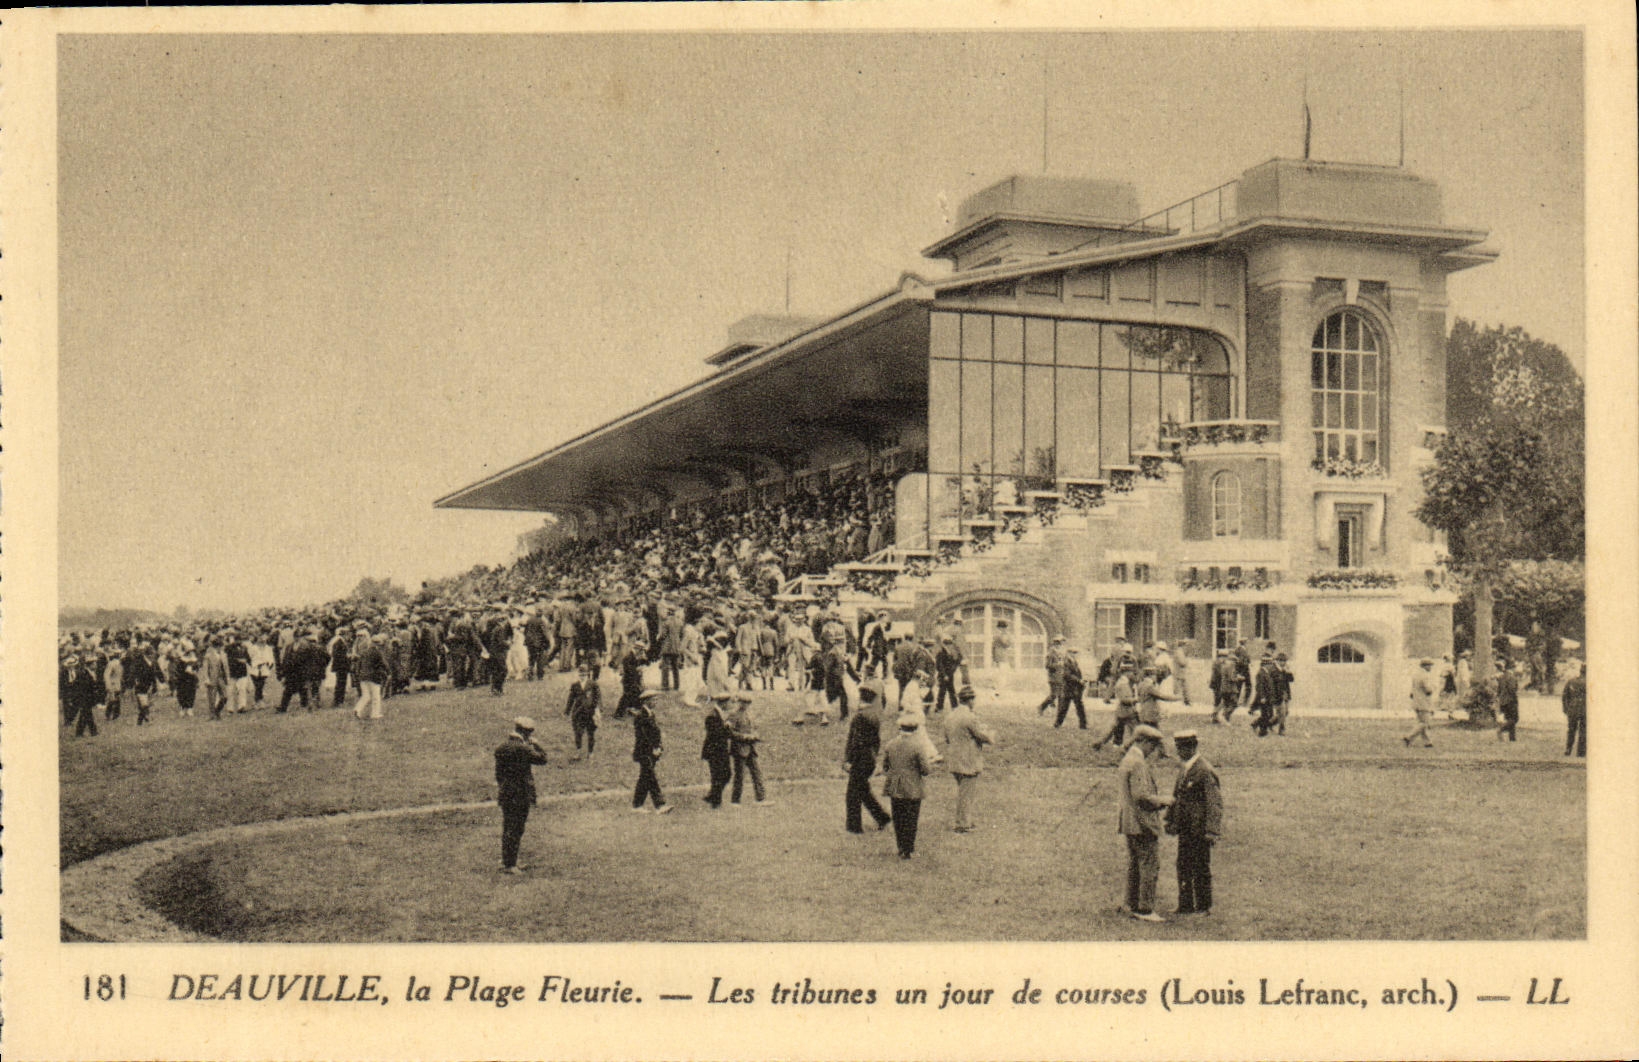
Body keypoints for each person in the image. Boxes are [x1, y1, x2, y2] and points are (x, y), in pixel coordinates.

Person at [1117, 725, 1173, 922]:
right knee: (1149, 864)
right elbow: (1142, 796)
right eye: (1153, 745)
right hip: (1142, 822)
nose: (1154, 751)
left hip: (1129, 821)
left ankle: (1130, 904)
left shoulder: (1128, 759)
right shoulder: (1138, 762)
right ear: (1144, 742)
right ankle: (1145, 909)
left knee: (1135, 864)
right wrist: (1164, 800)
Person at [1165, 730, 1222, 916]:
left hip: (1199, 829)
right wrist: (1171, 820)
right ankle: (1185, 904)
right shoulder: (1186, 768)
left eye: (1182, 748)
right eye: (1178, 747)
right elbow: (1177, 796)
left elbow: (1214, 803)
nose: (1179, 752)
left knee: (1200, 867)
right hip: (1185, 828)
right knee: (1183, 865)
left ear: (1192, 747)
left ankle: (1204, 906)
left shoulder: (1204, 770)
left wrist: (1212, 831)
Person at [493, 716, 549, 875]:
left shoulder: (502, 747)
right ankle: (510, 864)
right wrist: (536, 744)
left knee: (508, 827)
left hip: (505, 793)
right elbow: (543, 759)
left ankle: (507, 860)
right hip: (520, 794)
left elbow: (498, 774)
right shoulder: (523, 749)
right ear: (526, 732)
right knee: (516, 829)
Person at [882, 713, 934, 859]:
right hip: (912, 787)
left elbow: (885, 766)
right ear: (915, 729)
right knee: (911, 818)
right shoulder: (918, 746)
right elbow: (926, 770)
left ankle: (900, 847)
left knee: (898, 817)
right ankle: (908, 849)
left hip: (894, 786)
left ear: (900, 728)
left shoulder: (890, 744)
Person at [944, 685, 996, 832]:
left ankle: (966, 820)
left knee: (963, 791)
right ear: (970, 700)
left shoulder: (950, 716)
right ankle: (962, 824)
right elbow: (983, 736)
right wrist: (991, 734)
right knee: (966, 793)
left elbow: (947, 737)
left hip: (954, 758)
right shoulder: (970, 717)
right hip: (968, 760)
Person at [843, 680, 892, 833]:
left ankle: (854, 826)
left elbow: (855, 741)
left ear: (861, 697)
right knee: (863, 791)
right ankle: (882, 817)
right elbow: (875, 741)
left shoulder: (860, 717)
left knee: (853, 795)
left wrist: (849, 760)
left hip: (860, 759)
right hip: (869, 758)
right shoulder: (873, 715)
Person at [630, 690, 672, 813]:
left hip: (650, 752)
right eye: (654, 699)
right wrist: (654, 749)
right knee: (650, 777)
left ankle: (637, 805)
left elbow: (655, 734)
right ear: (646, 701)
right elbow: (643, 737)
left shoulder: (650, 714)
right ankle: (660, 805)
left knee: (645, 778)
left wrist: (659, 747)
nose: (656, 701)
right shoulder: (640, 716)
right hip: (645, 752)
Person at [727, 692, 770, 806]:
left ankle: (761, 798)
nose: (746, 705)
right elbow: (729, 732)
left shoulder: (749, 714)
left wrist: (755, 735)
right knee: (740, 776)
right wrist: (744, 737)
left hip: (751, 748)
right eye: (744, 702)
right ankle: (735, 801)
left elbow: (754, 727)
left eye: (748, 703)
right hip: (739, 749)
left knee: (757, 773)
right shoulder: (733, 715)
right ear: (739, 702)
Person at [1094, 660, 1140, 751]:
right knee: (1136, 729)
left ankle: (1098, 743)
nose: (1132, 674)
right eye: (1131, 672)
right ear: (1126, 672)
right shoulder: (1122, 684)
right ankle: (1133, 746)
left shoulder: (1124, 682)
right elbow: (1124, 699)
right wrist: (1136, 700)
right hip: (1126, 711)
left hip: (1123, 711)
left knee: (1112, 729)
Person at [700, 693, 734, 809]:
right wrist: (726, 727)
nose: (730, 705)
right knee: (718, 776)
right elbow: (715, 733)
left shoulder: (721, 714)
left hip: (721, 749)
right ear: (723, 703)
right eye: (729, 702)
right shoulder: (712, 715)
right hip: (714, 750)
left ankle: (713, 796)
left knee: (726, 774)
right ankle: (715, 801)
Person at [565, 665, 601, 759]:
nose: (582, 676)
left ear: (588, 674)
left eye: (584, 674)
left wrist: (597, 709)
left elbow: (597, 698)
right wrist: (567, 711)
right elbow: (571, 699)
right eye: (581, 674)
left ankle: (590, 752)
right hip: (578, 712)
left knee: (591, 733)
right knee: (578, 732)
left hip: (590, 712)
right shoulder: (575, 685)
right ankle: (578, 751)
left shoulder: (593, 684)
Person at [354, 627, 389, 721]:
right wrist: (388, 672)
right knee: (376, 696)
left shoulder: (364, 652)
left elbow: (359, 664)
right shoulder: (377, 652)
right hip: (373, 677)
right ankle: (375, 713)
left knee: (365, 695)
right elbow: (383, 664)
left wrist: (358, 673)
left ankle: (358, 709)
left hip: (362, 676)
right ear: (377, 644)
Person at [62, 654, 101, 738]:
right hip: (84, 697)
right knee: (87, 714)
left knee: (85, 715)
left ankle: (81, 732)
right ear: (90, 665)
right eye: (94, 664)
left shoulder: (90, 673)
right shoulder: (83, 673)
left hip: (87, 698)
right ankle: (92, 731)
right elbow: (82, 687)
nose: (96, 665)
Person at [1403, 658, 1438, 748]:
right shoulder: (1425, 676)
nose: (1431, 667)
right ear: (1425, 666)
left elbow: (1412, 691)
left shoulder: (1415, 675)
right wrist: (1434, 687)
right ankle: (1409, 737)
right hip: (1424, 702)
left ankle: (1428, 742)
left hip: (1416, 702)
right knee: (1424, 723)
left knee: (1421, 722)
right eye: (1429, 665)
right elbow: (1428, 690)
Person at [1055, 647, 1088, 729]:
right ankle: (1058, 723)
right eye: (1073, 652)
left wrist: (1081, 681)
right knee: (1066, 707)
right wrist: (1079, 680)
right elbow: (1067, 675)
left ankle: (1082, 724)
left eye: (1075, 653)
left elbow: (1076, 674)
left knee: (1077, 706)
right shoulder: (1066, 662)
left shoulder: (1073, 662)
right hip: (1069, 688)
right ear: (1068, 653)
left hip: (1074, 687)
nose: (1075, 654)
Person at [933, 634, 967, 714]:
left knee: (952, 691)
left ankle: (954, 706)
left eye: (949, 644)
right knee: (942, 691)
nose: (949, 646)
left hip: (950, 675)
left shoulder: (951, 653)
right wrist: (944, 675)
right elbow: (939, 665)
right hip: (943, 676)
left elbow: (956, 661)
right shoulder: (941, 653)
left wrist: (950, 673)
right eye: (947, 644)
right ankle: (939, 707)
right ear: (945, 645)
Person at [1561, 662, 1586, 757]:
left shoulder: (1571, 681)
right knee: (1583, 731)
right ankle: (1581, 752)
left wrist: (1565, 708)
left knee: (1571, 730)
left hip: (1572, 709)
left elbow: (1564, 696)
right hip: (1584, 710)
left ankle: (1568, 749)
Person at [1209, 649, 1240, 724]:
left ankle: (1216, 716)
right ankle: (1217, 716)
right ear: (1223, 656)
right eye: (1225, 656)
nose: (1226, 658)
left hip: (1217, 684)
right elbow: (1222, 674)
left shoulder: (1217, 662)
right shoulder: (1220, 663)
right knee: (1220, 701)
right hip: (1218, 684)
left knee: (1221, 701)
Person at [1038, 635, 1067, 715]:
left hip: (1061, 676)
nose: (1060, 644)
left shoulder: (1062, 653)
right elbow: (1047, 665)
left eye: (1061, 643)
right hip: (1053, 677)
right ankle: (1041, 707)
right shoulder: (1051, 653)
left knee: (1061, 695)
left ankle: (1060, 713)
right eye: (1058, 643)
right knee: (1054, 695)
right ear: (1055, 643)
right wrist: (1058, 665)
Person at [1495, 658, 1521, 742]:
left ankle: (1512, 738)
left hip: (1503, 701)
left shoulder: (1501, 677)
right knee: (1514, 719)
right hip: (1510, 700)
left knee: (1509, 718)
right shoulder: (1512, 677)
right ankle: (1501, 729)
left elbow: (1498, 690)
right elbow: (1512, 689)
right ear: (1512, 668)